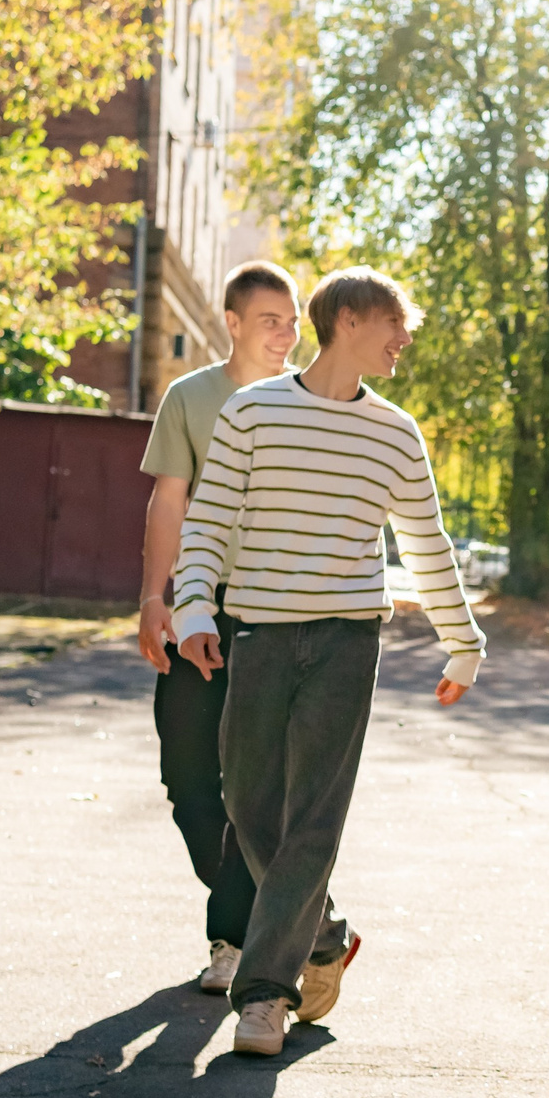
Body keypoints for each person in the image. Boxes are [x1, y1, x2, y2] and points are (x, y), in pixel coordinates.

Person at [171, 265, 487, 1058]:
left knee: (314, 812)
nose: (405, 340)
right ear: (349, 318)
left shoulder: (395, 432)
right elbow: (207, 517)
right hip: (262, 631)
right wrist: (192, 607)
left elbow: (425, 542)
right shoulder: (251, 413)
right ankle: (325, 933)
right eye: (396, 324)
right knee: (248, 799)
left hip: (348, 639)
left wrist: (464, 640)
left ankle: (265, 996)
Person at [136, 261, 352, 997]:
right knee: (189, 777)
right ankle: (305, 914)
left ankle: (233, 940)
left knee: (258, 790)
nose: (288, 334)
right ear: (232, 323)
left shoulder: (314, 404)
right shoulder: (191, 398)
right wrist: (152, 597)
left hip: (278, 615)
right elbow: (170, 501)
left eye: (294, 321)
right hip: (200, 607)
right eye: (271, 320)